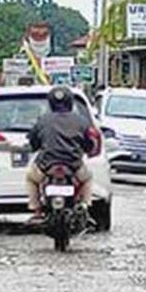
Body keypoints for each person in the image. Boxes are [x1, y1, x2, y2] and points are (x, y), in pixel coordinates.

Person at [24, 84, 95, 220]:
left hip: (46, 167)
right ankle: (85, 206)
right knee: (88, 178)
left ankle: (36, 209)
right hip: (73, 166)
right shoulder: (81, 121)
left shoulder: (43, 120)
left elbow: (33, 142)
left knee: (30, 178)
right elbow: (88, 144)